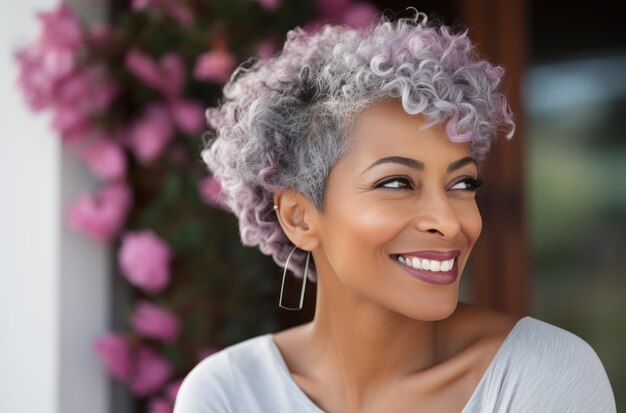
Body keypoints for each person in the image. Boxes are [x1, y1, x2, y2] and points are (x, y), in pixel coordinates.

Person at [174, 11, 616, 413]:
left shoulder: (542, 375)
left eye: (461, 184)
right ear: (299, 217)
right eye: (397, 183)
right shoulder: (228, 393)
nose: (448, 223)